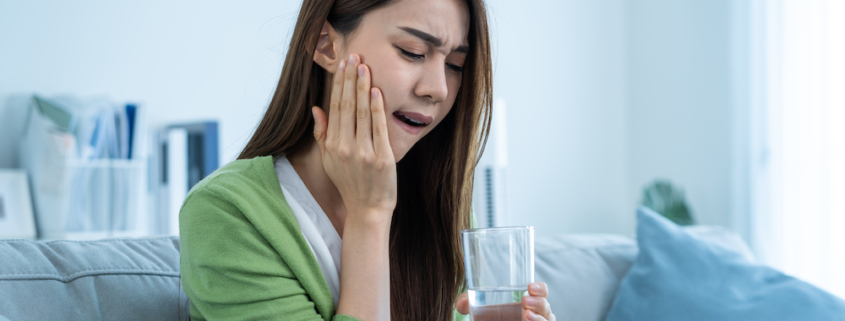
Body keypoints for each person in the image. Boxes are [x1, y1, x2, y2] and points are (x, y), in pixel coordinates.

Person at [179, 0, 556, 320]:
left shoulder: (441, 208)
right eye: (413, 51)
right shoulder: (226, 213)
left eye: (455, 64)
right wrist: (370, 214)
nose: (438, 89)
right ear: (325, 44)